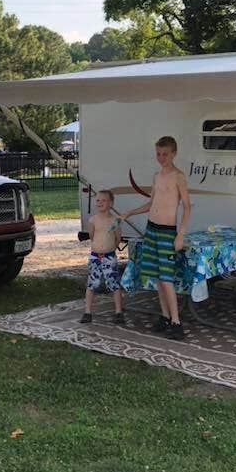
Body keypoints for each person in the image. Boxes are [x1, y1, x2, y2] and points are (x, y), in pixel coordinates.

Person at [121, 136, 191, 340]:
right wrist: (130, 212)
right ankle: (165, 316)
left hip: (167, 231)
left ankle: (177, 322)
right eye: (158, 154)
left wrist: (181, 234)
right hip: (152, 229)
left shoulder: (179, 176)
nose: (161, 158)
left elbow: (186, 206)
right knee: (158, 277)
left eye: (165, 154)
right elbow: (151, 204)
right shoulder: (156, 176)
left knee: (167, 278)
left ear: (174, 154)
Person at [80, 189, 125, 324]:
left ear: (111, 203)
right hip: (95, 256)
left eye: (104, 200)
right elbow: (92, 236)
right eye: (98, 200)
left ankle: (118, 311)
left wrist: (110, 248)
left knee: (114, 284)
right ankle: (87, 312)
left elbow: (118, 238)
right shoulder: (93, 220)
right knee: (91, 284)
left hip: (109, 257)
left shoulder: (114, 220)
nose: (100, 203)